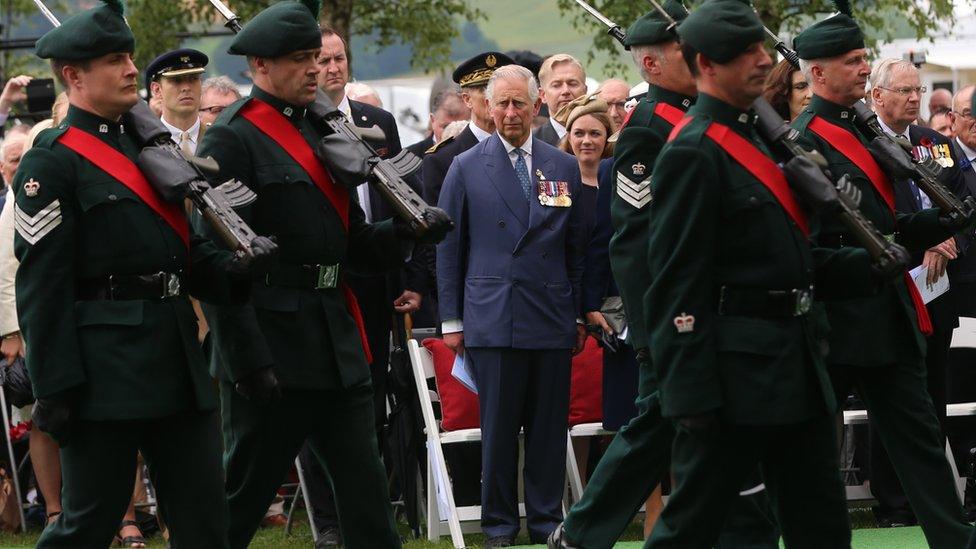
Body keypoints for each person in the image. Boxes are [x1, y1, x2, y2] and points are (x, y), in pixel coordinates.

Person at [13, 1, 272, 547]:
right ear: (73, 76)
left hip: (176, 358)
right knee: (89, 523)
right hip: (104, 371)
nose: (132, 69)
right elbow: (43, 285)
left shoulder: (150, 149)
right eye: (114, 59)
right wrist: (54, 385)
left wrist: (237, 270)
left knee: (205, 522)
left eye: (129, 56)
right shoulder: (52, 161)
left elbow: (178, 253)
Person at [643, 2, 882, 546]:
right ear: (706, 64)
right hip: (733, 374)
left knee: (820, 521)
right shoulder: (693, 152)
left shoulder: (758, 139)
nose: (762, 59)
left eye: (761, 46)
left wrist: (870, 265)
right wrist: (689, 393)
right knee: (694, 524)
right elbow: (675, 281)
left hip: (794, 359)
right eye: (745, 51)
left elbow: (781, 256)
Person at [195, 1, 417, 547]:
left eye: (317, 58)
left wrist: (409, 232)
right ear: (260, 67)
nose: (316, 70)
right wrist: (246, 360)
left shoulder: (324, 130)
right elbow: (219, 265)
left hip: (334, 340)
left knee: (367, 500)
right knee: (241, 498)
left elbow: (353, 244)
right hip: (271, 345)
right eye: (301, 60)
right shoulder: (232, 137)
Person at [791, 6, 974, 547]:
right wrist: (876, 257)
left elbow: (893, 220)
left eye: (864, 57)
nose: (861, 67)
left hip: (886, 315)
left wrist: (944, 221)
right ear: (818, 73)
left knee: (919, 435)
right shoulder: (805, 140)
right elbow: (816, 241)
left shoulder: (865, 130)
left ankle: (953, 536)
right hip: (837, 318)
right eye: (852, 61)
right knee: (818, 446)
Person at [437, 63, 586, 547]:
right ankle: (499, 526)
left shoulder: (561, 165)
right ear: (485, 105)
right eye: (500, 103)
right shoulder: (465, 166)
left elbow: (576, 248)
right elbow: (448, 249)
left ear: (537, 104)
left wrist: (578, 311)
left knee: (547, 431)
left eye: (519, 102)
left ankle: (545, 522)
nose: (510, 112)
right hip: (493, 317)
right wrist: (452, 321)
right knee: (498, 432)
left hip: (550, 314)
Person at [298, 22, 427, 547]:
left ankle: (367, 509)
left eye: (339, 59)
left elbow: (398, 197)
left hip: (375, 279)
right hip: (323, 280)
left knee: (370, 397)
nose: (332, 68)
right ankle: (328, 520)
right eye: (322, 60)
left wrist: (406, 275)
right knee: (318, 397)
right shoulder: (300, 126)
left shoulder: (378, 121)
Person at [867, 57, 971, 529]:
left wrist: (953, 241)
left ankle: (933, 502)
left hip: (939, 285)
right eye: (903, 90)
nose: (914, 98)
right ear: (877, 96)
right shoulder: (863, 146)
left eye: (918, 89)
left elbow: (966, 207)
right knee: (891, 393)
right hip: (891, 285)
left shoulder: (937, 145)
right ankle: (892, 504)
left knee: (934, 390)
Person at [422, 51, 515, 206]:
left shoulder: (526, 148)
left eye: (498, 89)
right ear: (467, 99)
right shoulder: (441, 159)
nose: (492, 97)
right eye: (484, 89)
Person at [146, 48, 208, 155]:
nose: (186, 87)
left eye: (193, 78)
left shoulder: (217, 140)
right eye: (176, 80)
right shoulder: (146, 143)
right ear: (157, 90)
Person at [534, 54, 588, 146]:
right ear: (543, 95)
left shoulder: (605, 139)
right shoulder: (532, 143)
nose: (565, 91)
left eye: (572, 84)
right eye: (557, 85)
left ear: (585, 91)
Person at [406, 88, 469, 158]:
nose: (453, 134)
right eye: (445, 127)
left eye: (462, 127)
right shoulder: (410, 157)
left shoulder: (478, 153)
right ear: (432, 120)